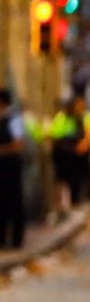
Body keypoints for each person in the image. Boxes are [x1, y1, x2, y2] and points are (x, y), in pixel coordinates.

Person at [0, 89, 26, 250]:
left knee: (13, 202)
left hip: (10, 166)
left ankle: (16, 239)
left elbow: (18, 144)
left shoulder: (14, 119)